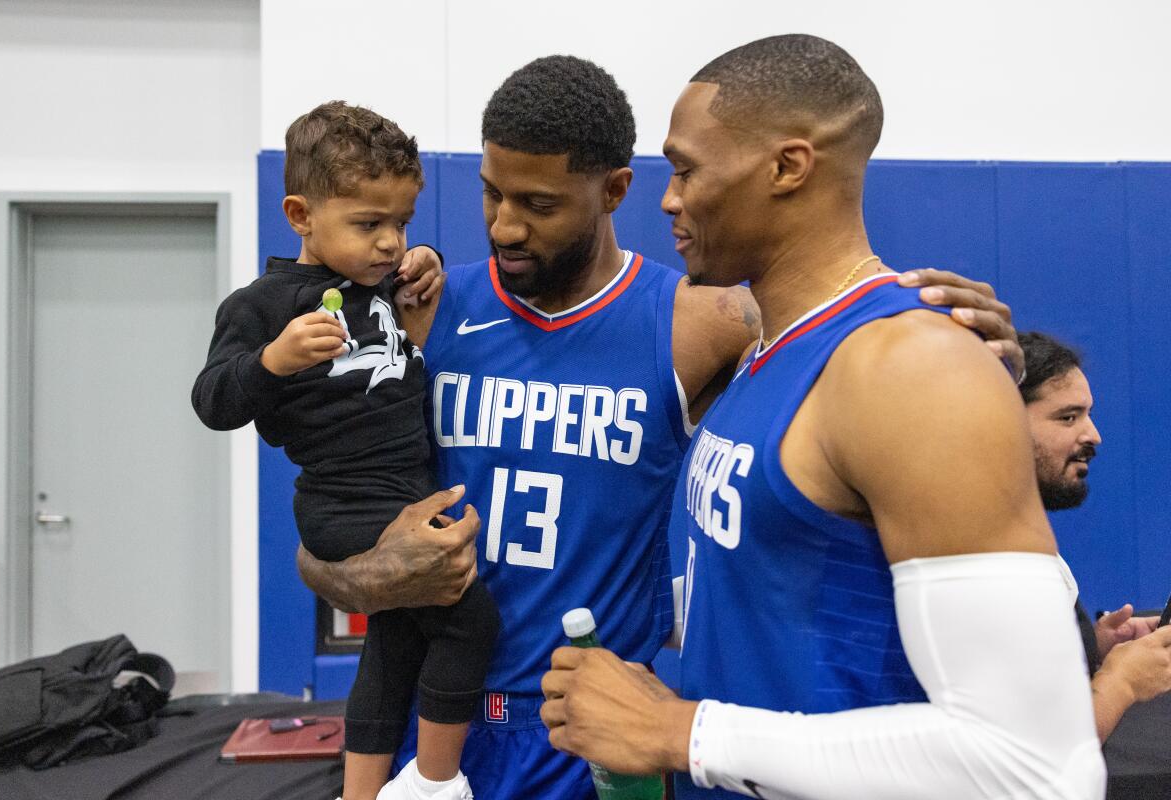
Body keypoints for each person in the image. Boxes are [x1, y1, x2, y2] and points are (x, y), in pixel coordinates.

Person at [298, 57, 1024, 800]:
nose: (504, 226)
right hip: (433, 718)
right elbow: (331, 506)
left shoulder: (703, 324)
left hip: (583, 732)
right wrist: (355, 576)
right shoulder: (425, 307)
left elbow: (849, 340)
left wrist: (978, 348)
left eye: (539, 204)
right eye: (491, 194)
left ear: (613, 190)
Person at [539, 35, 1105, 799]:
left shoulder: (911, 369)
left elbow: (1036, 766)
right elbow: (773, 579)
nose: (668, 198)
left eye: (685, 169)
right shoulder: (767, 351)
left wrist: (681, 732)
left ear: (787, 167)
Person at [191, 101, 497, 800]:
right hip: (346, 502)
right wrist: (272, 359)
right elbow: (213, 401)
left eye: (401, 222)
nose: (389, 242)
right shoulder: (264, 305)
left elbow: (411, 270)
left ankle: (359, 794)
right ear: (301, 216)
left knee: (392, 649)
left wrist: (427, 260)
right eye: (369, 224)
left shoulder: (377, 282)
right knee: (466, 614)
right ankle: (438, 784)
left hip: (401, 489)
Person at [1019, 331, 1171, 741]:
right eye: (1068, 417)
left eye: (1088, 414)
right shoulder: (987, 553)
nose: (1093, 435)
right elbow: (1035, 754)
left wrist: (1091, 648)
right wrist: (1121, 682)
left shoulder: (1021, 535)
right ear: (999, 419)